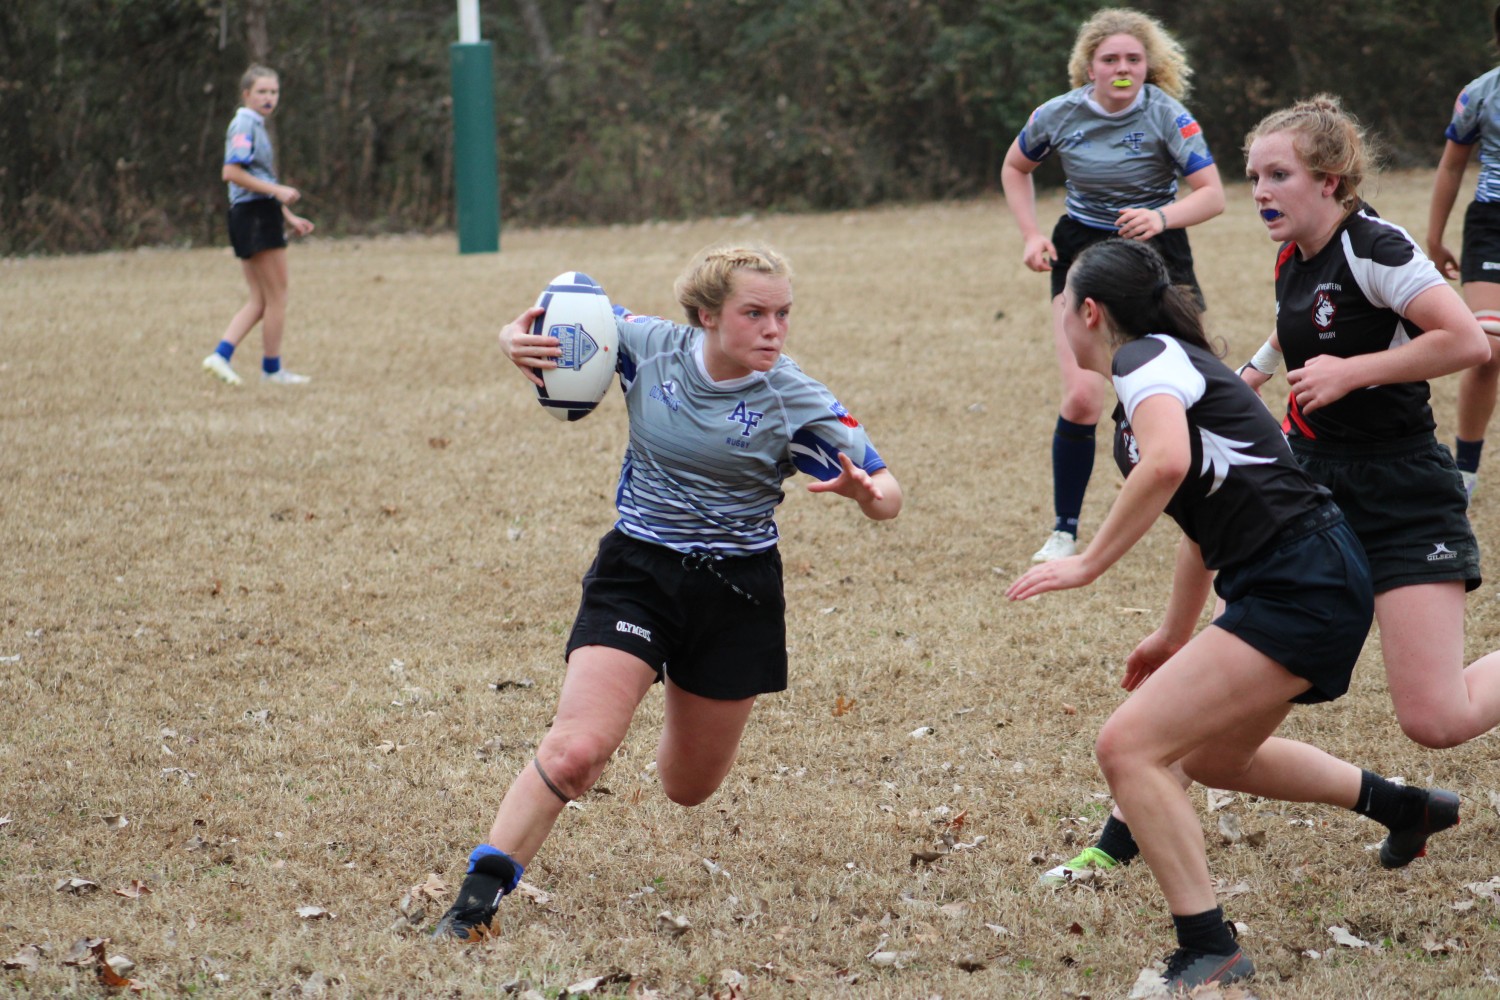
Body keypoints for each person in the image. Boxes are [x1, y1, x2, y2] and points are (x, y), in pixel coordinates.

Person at [1044, 93, 1491, 888]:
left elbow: (1459, 339)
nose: (1259, 190)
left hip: (1400, 492)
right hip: (1314, 484)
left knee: (1436, 717)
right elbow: (1304, 326)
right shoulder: (1294, 256)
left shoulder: (1376, 244)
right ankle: (1122, 832)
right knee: (1218, 712)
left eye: (1277, 174)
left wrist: (1357, 372)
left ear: (1330, 180)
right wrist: (1250, 373)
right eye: (1253, 174)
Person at [1007, 237, 1459, 993]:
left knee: (1128, 748)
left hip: (1303, 579)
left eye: (1062, 308)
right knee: (1214, 759)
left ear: (1088, 311)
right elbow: (1201, 525)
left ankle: (1209, 946)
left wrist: (1086, 563)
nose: (1061, 322)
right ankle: (1406, 807)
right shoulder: (1163, 368)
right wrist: (1173, 632)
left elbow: (1168, 467)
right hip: (1294, 576)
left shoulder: (1144, 359)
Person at [432, 245, 902, 941]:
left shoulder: (795, 394)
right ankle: (475, 904)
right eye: (755, 313)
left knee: (688, 788)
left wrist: (866, 495)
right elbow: (560, 316)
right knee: (576, 752)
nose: (774, 329)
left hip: (736, 594)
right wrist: (511, 338)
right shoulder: (647, 344)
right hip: (640, 572)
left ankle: (675, 687)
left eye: (783, 314)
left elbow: (889, 492)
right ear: (707, 316)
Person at [1000, 7, 1224, 563]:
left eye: (1133, 58)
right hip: (1081, 249)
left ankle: (1211, 511)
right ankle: (1064, 531)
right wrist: (1031, 236)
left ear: (1150, 66)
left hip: (1157, 251)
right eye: (1110, 59)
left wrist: (1162, 217)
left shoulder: (1168, 115)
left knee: (1191, 388)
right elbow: (1015, 167)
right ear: (1089, 67)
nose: (1123, 68)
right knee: (1082, 396)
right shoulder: (1058, 114)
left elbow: (1213, 194)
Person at [202, 65, 315, 387]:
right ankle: (272, 370)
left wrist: (287, 216)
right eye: (262, 92)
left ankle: (220, 356)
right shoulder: (245, 124)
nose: (269, 98)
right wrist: (277, 191)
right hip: (253, 217)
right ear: (246, 94)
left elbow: (257, 180)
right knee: (277, 297)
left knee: (260, 300)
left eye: (273, 92)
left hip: (256, 213)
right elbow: (232, 173)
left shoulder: (256, 125)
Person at [1427, 4, 1500, 501]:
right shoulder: (1480, 93)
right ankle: (1465, 470)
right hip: (1492, 222)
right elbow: (1452, 167)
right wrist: (1434, 237)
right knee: (1490, 348)